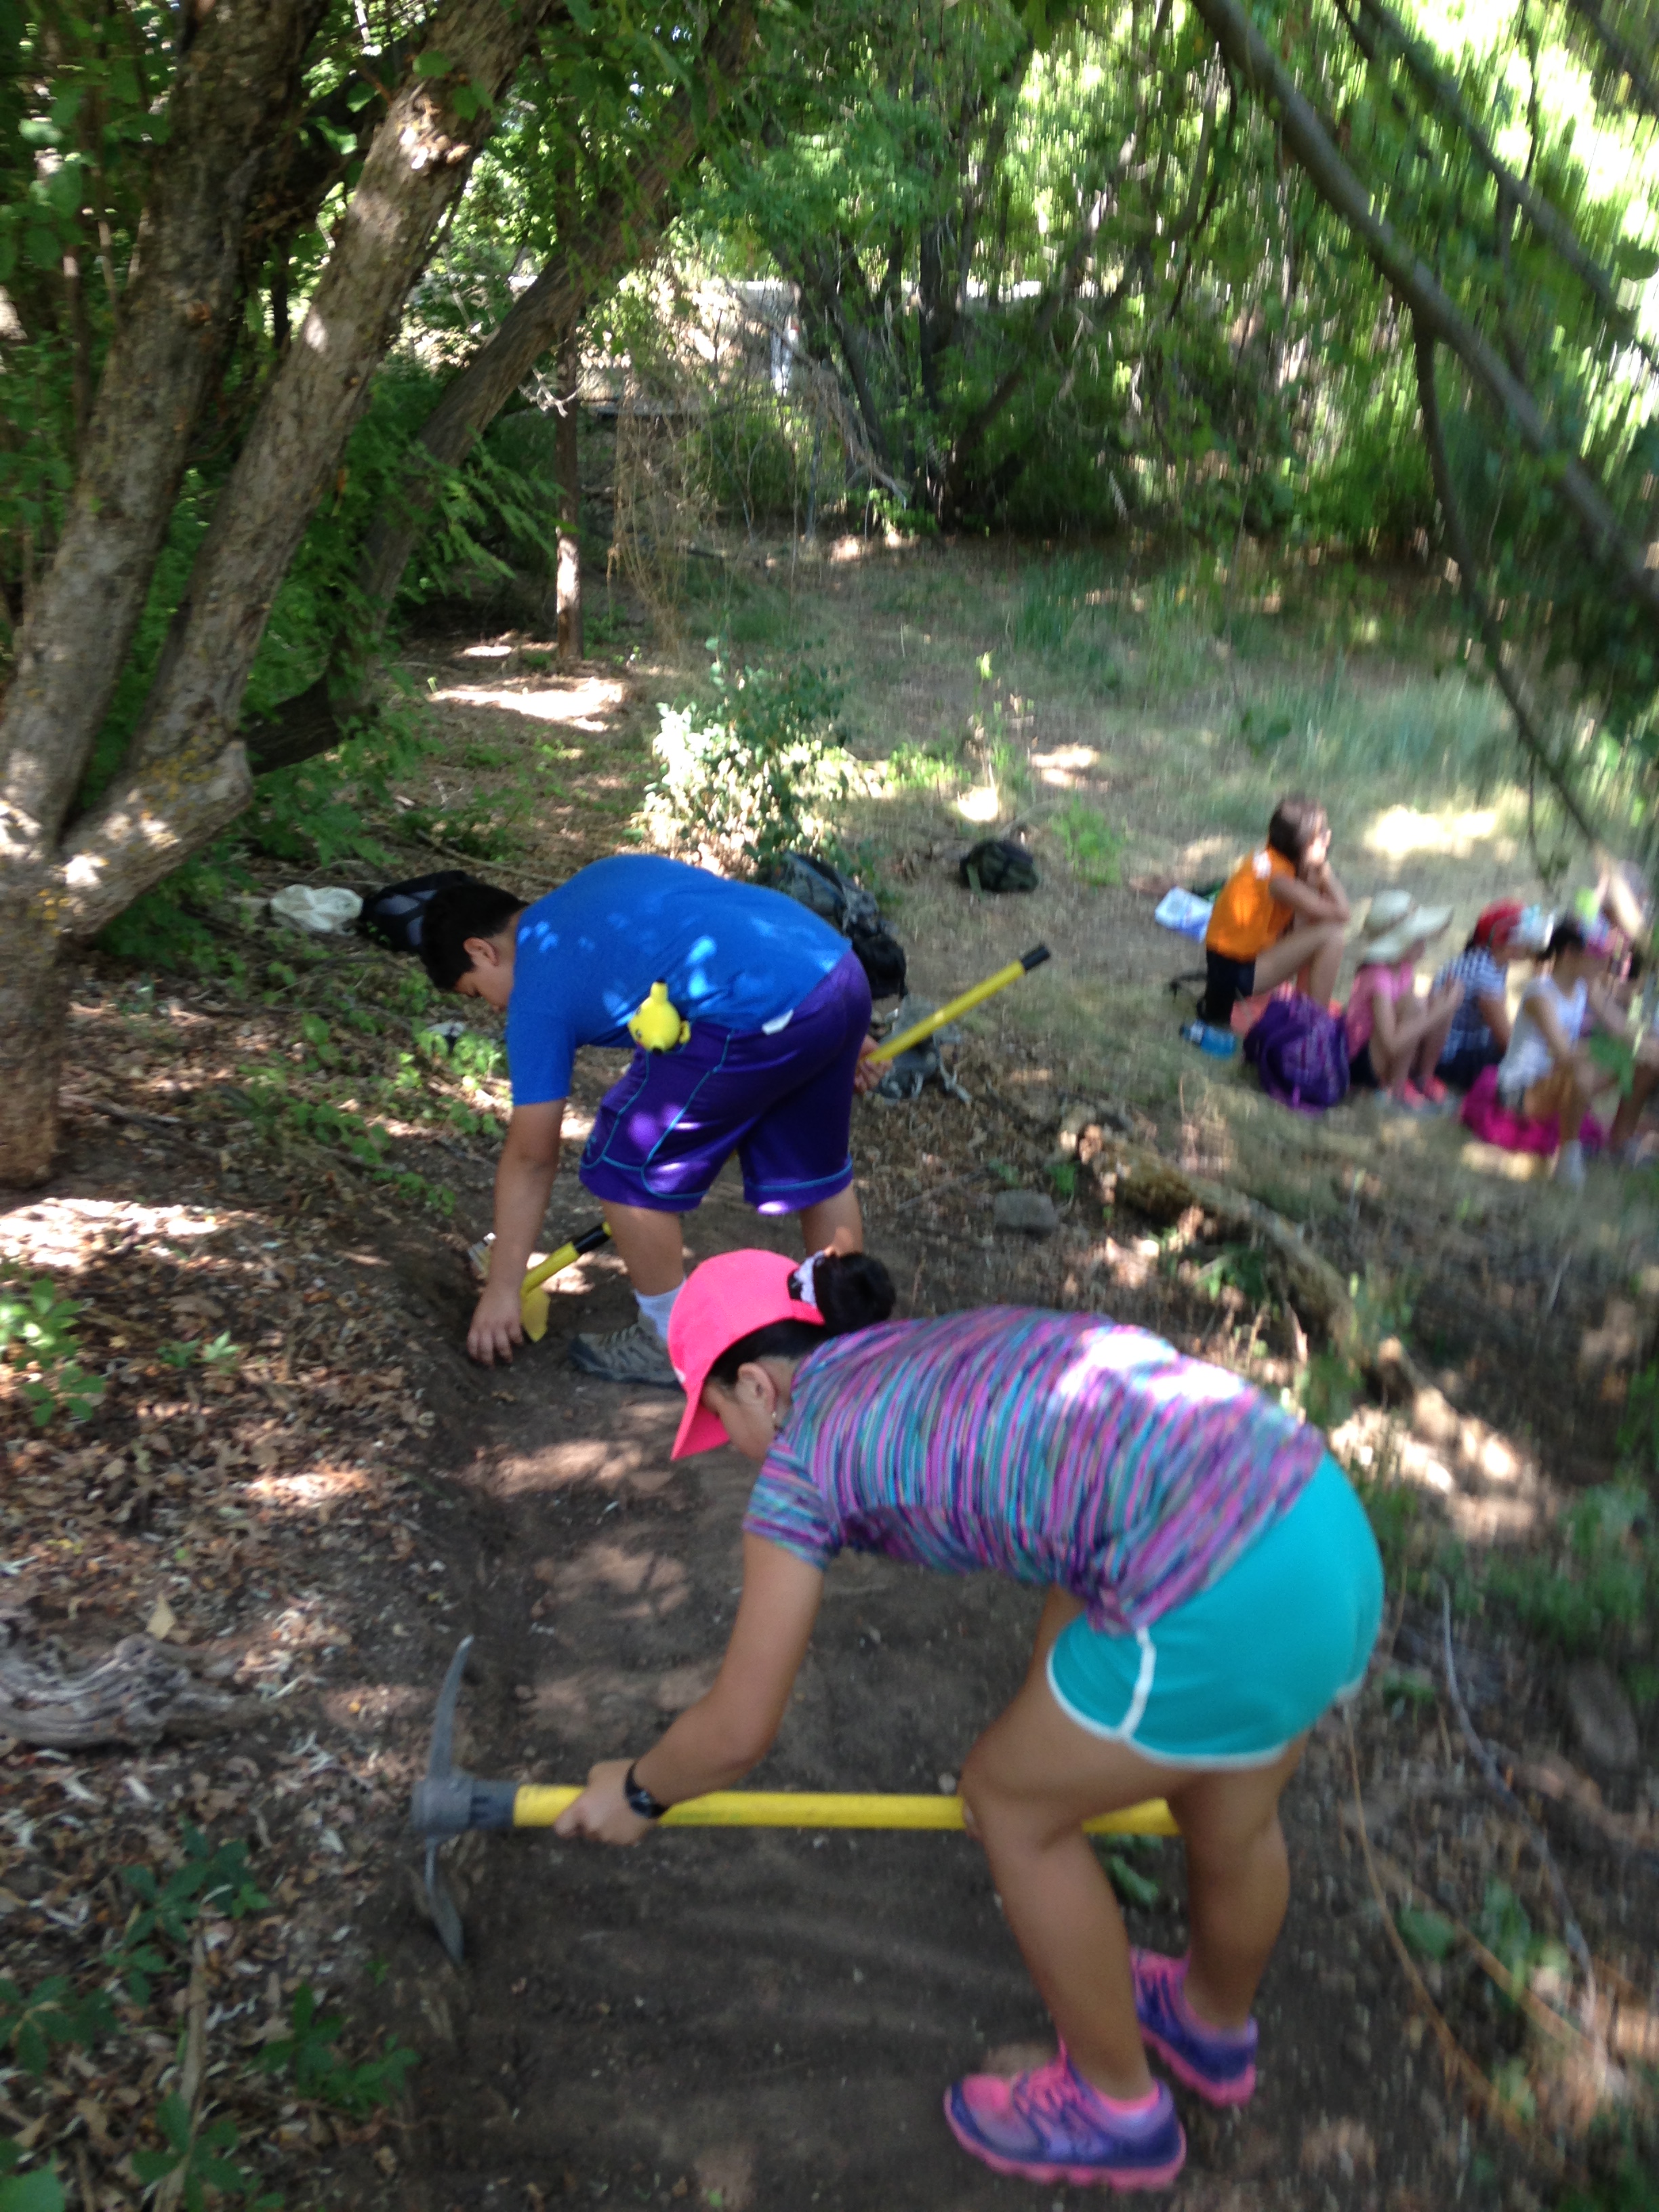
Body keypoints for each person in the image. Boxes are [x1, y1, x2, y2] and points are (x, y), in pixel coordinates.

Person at [554, 1248, 1384, 2190]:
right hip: (1316, 1520)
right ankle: (1209, 2026)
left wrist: (637, 1791)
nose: (735, 1449)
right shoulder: (922, 1352)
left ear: (756, 1383)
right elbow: (1076, 1538)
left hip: (1212, 1589)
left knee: (1011, 1804)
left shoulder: (803, 1466)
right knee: (1231, 1815)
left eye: (720, 1421)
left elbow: (741, 1727)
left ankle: (1118, 2110)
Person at [419, 860, 878, 1383]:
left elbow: (532, 1156)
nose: (493, 1007)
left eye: (478, 992)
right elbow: (721, 928)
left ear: (481, 951)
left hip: (763, 1009)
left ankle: (669, 1339)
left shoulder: (537, 991)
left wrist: (503, 1288)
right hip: (833, 972)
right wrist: (833, 1023)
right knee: (819, 1172)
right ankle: (843, 1334)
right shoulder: (598, 883)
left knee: (624, 1161)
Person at [1197, 796, 1350, 1038]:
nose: (1327, 838)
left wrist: (1314, 874)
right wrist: (1326, 872)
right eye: (1322, 836)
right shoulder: (1279, 880)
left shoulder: (1270, 857)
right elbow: (1342, 914)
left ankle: (1305, 1010)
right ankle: (1315, 1029)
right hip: (1235, 973)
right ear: (1306, 844)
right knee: (1332, 936)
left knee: (1316, 923)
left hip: (1228, 965)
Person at [1492, 916, 1622, 1188]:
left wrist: (1643, 1047)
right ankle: (1567, 1156)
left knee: (1634, 1062)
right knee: (1583, 1067)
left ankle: (1623, 1140)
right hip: (1519, 1089)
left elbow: (1623, 1030)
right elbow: (1564, 1053)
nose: (1603, 963)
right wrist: (1613, 1049)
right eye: (1596, 955)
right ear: (1568, 954)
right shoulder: (1540, 991)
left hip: (1553, 1081)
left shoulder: (1586, 987)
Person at [1342, 890, 1458, 1107]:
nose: (1424, 945)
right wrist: (1437, 1013)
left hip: (1384, 1056)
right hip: (1363, 1063)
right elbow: (1391, 1043)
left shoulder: (1403, 969)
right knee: (1422, 1006)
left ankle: (1423, 1077)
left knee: (1430, 1001)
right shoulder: (1377, 976)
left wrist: (1441, 1005)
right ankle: (1396, 1089)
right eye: (1418, 939)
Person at [1431, 902, 1538, 1092]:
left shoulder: (1490, 960)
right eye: (1524, 937)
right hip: (1453, 1057)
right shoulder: (1486, 974)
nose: (1530, 943)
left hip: (1457, 1047)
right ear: (1503, 942)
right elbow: (1506, 1042)